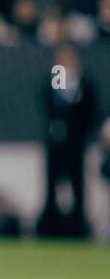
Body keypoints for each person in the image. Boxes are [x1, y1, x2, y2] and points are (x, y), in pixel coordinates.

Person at [37, 44, 98, 238]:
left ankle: (78, 228)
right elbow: (53, 105)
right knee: (52, 185)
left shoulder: (84, 84)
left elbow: (89, 112)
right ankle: (51, 228)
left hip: (76, 146)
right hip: (55, 145)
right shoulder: (58, 80)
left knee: (77, 187)